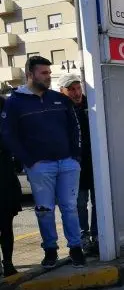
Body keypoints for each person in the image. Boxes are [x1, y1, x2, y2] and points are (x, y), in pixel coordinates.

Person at [0, 56, 85, 269]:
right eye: (44, 73)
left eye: (49, 73)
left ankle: (76, 249)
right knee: (44, 210)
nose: (48, 77)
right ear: (30, 74)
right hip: (40, 166)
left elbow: (74, 129)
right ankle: (50, 250)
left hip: (67, 163)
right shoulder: (14, 102)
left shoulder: (59, 99)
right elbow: (8, 135)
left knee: (70, 208)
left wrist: (76, 157)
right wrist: (29, 161)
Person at [59, 74, 97, 256]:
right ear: (63, 92)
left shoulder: (92, 106)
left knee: (99, 201)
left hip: (95, 162)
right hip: (74, 164)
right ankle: (84, 236)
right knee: (80, 203)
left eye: (78, 88)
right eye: (71, 89)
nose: (76, 93)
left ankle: (98, 235)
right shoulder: (61, 110)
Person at [0, 96, 21, 278]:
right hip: (5, 171)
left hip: (4, 173)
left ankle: (7, 262)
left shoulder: (5, 106)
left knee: (6, 223)